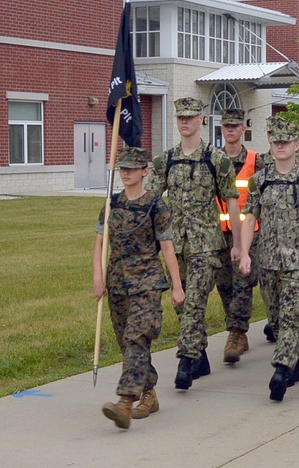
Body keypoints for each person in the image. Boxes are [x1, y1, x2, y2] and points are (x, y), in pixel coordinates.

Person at [146, 98, 240, 390]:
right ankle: (200, 356)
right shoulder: (166, 161)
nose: (184, 122)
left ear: (201, 119)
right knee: (181, 304)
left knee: (195, 302)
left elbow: (232, 202)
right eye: (180, 118)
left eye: (190, 117)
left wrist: (238, 244)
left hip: (206, 245)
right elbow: (149, 200)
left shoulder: (216, 159)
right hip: (176, 247)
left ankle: (185, 362)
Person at [239, 117, 299, 402]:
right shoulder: (260, 180)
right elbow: (250, 216)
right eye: (276, 142)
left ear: (296, 144)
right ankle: (292, 361)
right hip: (268, 261)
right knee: (276, 319)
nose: (280, 147)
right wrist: (244, 253)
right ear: (271, 144)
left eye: (286, 142)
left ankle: (280, 369)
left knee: (291, 315)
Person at [94, 146, 184, 430]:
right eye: (123, 168)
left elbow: (168, 247)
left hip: (147, 283)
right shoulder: (112, 203)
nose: (126, 172)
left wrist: (176, 287)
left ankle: (125, 402)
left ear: (145, 171)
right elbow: (99, 243)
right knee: (127, 344)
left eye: (132, 168)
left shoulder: (156, 205)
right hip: (118, 284)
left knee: (136, 338)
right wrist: (98, 277)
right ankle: (149, 393)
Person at [215, 108, 258, 365]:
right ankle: (237, 330)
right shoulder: (213, 159)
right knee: (225, 284)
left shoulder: (255, 160)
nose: (230, 130)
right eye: (226, 126)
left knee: (243, 281)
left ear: (243, 129)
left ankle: (235, 332)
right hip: (220, 234)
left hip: (248, 232)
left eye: (235, 126)